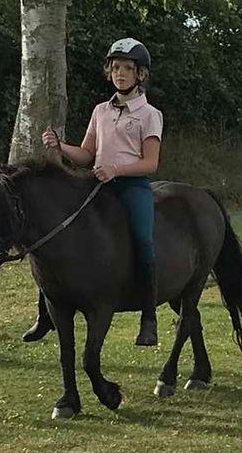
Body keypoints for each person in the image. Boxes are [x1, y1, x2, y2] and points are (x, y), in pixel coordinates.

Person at [33, 37, 165, 346]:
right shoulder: (100, 111)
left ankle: (149, 318)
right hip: (97, 184)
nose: (120, 74)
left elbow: (150, 163)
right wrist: (60, 147)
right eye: (116, 68)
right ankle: (45, 313)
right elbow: (87, 155)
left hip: (131, 186)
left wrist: (116, 169)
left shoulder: (150, 115)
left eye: (127, 69)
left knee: (143, 241)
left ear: (140, 74)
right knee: (56, 229)